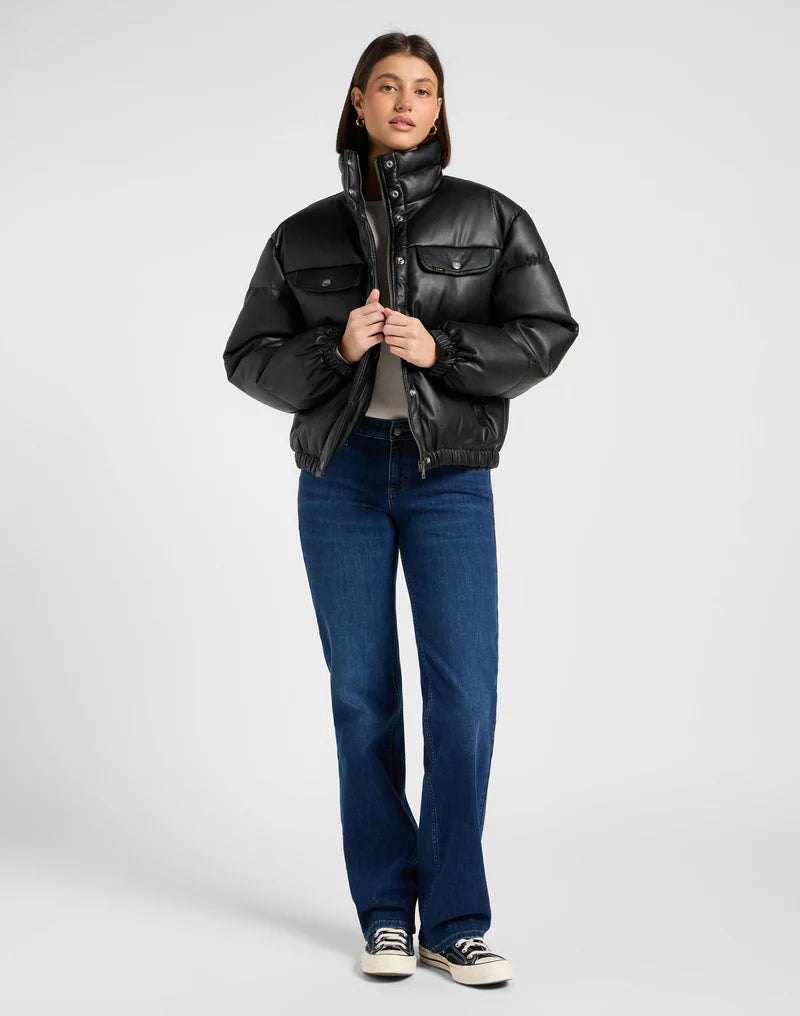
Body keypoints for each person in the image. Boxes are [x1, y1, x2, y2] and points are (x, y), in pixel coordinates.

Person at [222, 32, 579, 988]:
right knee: (362, 697)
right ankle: (386, 914)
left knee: (465, 699)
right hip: (340, 477)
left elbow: (547, 332)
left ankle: (454, 921)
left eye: (423, 88)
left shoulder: (491, 216)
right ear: (358, 101)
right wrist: (337, 348)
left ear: (440, 107)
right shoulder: (303, 235)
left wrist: (443, 350)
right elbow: (247, 357)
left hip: (448, 478)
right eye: (387, 86)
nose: (406, 101)